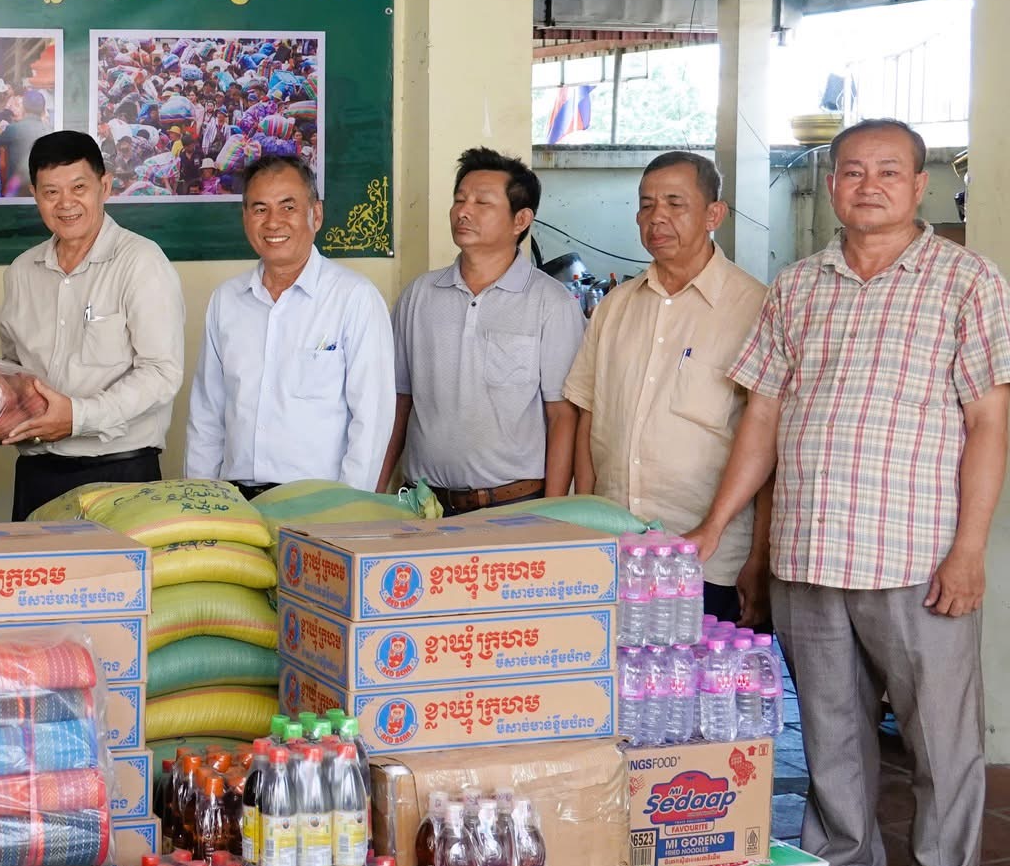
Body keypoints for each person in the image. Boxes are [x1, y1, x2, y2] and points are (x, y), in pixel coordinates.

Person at [684, 119, 1009, 866]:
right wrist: (716, 525)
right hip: (810, 556)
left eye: (889, 171)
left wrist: (970, 550)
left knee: (942, 750)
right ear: (830, 184)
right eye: (853, 170)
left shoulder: (967, 280)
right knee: (832, 746)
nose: (869, 185)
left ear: (920, 185)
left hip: (918, 561)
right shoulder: (797, 285)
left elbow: (989, 422)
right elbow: (762, 416)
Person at [563, 152, 770, 623]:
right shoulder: (615, 307)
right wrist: (583, 526)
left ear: (714, 214)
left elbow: (768, 444)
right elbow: (589, 418)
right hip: (615, 553)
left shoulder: (755, 307)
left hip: (708, 559)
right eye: (646, 205)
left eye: (675, 204)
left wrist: (760, 558)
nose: (657, 217)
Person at [379, 148, 583, 511]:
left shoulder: (551, 303)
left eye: (482, 202)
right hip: (423, 505)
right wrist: (376, 491)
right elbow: (399, 402)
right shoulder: (419, 295)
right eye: (459, 199)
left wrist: (550, 514)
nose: (463, 211)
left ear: (520, 219)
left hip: (514, 505)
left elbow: (562, 416)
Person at [0, 130, 185, 519]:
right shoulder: (21, 271)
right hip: (37, 473)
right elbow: (13, 368)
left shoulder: (141, 262)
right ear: (34, 195)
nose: (66, 203)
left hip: (120, 473)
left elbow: (161, 373)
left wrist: (78, 417)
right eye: (51, 192)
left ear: (105, 186)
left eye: (78, 188)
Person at [185, 156, 391, 497]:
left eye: (288, 207)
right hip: (236, 502)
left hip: (318, 503)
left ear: (316, 215)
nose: (273, 222)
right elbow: (207, 414)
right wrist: (201, 501)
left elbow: (372, 419)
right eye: (260, 209)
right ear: (245, 218)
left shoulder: (354, 298)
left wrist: (347, 509)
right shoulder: (227, 300)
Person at [0, 91, 49, 198]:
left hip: (17, 192)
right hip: (42, 191)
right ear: (43, 110)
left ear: (23, 109)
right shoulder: (49, 131)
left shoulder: (14, 129)